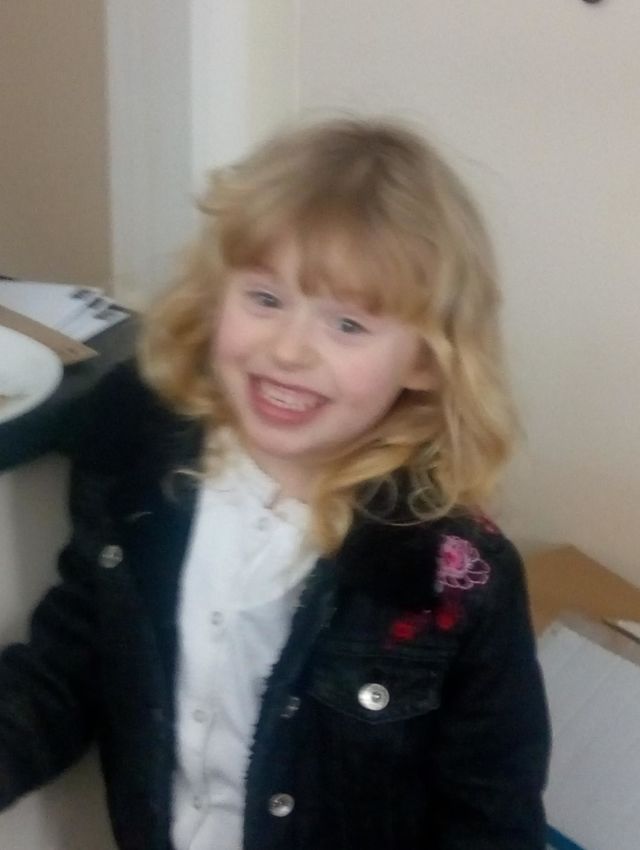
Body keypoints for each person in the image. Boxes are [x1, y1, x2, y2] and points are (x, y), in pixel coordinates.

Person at [0, 117, 550, 850]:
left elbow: (493, 814)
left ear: (426, 361)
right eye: (265, 299)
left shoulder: (452, 577)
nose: (289, 350)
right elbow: (70, 664)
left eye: (347, 325)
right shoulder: (137, 466)